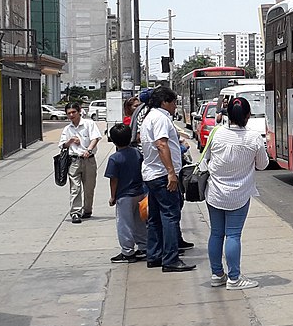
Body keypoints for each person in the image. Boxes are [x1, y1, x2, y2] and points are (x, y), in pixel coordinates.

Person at [203, 95, 269, 290]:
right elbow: (263, 165)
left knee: (216, 234)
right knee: (233, 235)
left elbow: (206, 158)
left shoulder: (216, 133)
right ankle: (234, 278)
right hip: (239, 195)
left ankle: (216, 274)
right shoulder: (253, 138)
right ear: (248, 115)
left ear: (227, 114)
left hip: (214, 192)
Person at [139, 86, 193, 272]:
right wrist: (171, 172)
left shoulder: (150, 117)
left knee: (155, 217)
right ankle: (170, 258)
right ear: (165, 102)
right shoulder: (161, 118)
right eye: (174, 102)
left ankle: (154, 255)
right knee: (170, 216)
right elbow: (162, 144)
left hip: (152, 173)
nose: (175, 106)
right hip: (162, 175)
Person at [105, 123, 147, 263]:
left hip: (124, 195)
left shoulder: (114, 158)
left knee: (124, 224)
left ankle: (127, 252)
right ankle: (144, 247)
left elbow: (113, 180)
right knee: (139, 221)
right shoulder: (136, 153)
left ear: (113, 140)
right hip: (139, 192)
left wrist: (113, 196)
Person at [60, 103, 102, 223]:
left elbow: (96, 138)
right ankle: (75, 212)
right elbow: (62, 144)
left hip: (89, 160)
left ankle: (87, 209)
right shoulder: (67, 129)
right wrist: (71, 141)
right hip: (74, 161)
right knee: (75, 188)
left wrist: (89, 150)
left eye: (74, 112)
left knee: (89, 187)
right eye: (69, 113)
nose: (71, 115)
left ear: (79, 112)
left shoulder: (89, 124)